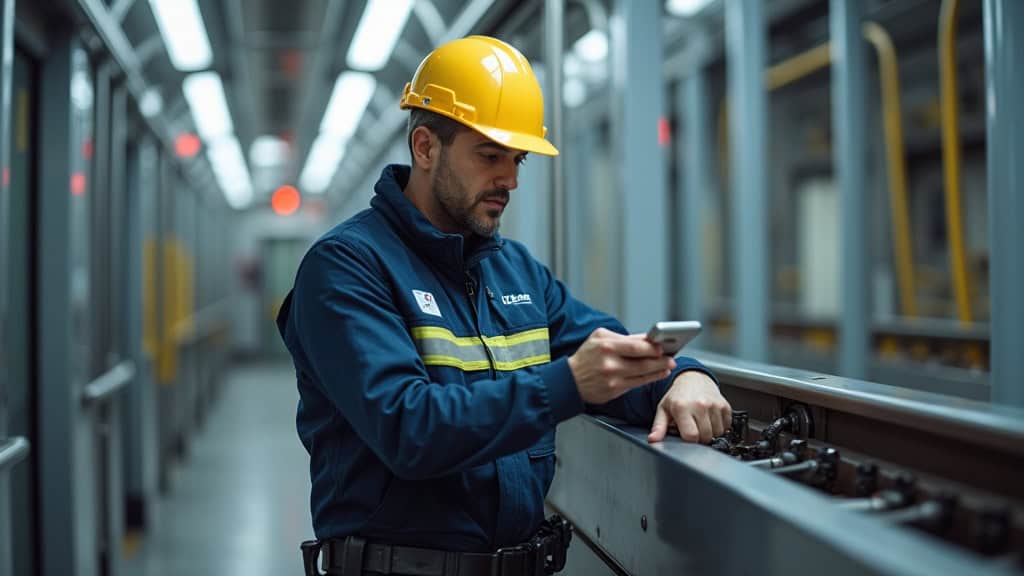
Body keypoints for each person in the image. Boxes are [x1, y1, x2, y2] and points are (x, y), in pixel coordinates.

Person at [277, 35, 731, 576]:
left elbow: (612, 351)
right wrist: (568, 385)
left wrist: (685, 376)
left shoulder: (514, 271)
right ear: (425, 147)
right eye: (490, 155)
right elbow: (408, 429)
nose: (510, 179)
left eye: (516, 159)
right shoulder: (347, 267)